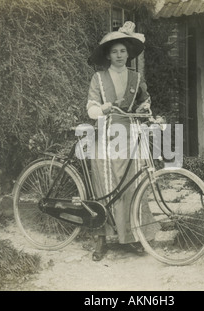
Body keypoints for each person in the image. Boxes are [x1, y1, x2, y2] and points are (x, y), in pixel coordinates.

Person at [86, 21, 158, 261]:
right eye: (114, 51)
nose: (119, 55)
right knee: (103, 187)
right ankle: (102, 239)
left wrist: (145, 106)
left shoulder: (136, 78)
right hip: (105, 135)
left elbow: (143, 102)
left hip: (130, 135)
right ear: (108, 54)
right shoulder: (98, 78)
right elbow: (91, 109)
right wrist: (104, 108)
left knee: (132, 184)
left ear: (128, 54)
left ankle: (133, 237)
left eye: (123, 51)